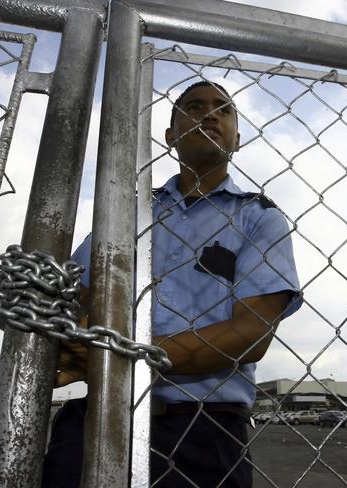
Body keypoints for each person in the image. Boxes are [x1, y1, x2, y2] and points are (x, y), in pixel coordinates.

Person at [43, 81, 302, 487]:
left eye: (223, 109)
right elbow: (76, 299)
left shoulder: (258, 216)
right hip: (100, 415)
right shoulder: (127, 212)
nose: (210, 114)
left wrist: (113, 357)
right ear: (170, 136)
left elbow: (251, 333)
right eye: (194, 107)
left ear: (237, 137)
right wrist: (75, 343)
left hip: (204, 430)